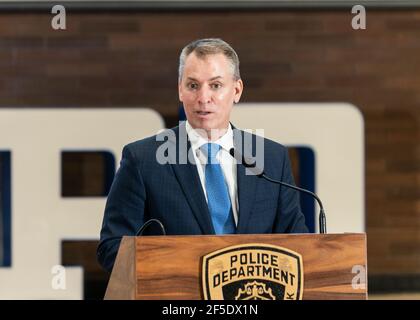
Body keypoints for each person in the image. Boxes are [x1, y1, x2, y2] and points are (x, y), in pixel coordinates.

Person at [97, 38, 308, 273]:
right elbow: (112, 248)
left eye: (216, 85)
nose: (203, 98)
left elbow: (298, 243)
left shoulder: (271, 158)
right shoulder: (143, 159)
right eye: (193, 85)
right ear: (180, 89)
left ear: (236, 90)